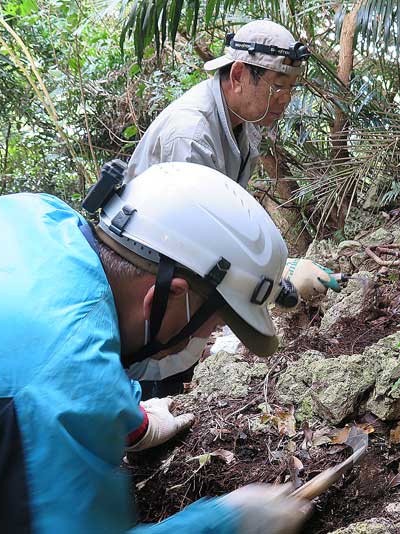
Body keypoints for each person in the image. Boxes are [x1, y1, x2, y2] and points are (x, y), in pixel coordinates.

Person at [0, 162, 307, 533]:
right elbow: (53, 376)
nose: (203, 341)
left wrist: (130, 419)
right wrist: (227, 522)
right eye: (212, 327)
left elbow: (8, 362)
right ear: (169, 296)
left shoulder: (38, 214)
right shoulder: (61, 375)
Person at [125, 20, 339, 398]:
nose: (285, 100)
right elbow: (189, 239)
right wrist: (275, 275)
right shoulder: (191, 135)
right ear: (238, 74)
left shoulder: (246, 121)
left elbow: (229, 209)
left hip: (184, 281)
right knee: (152, 377)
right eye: (277, 86)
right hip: (151, 281)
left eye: (291, 89)